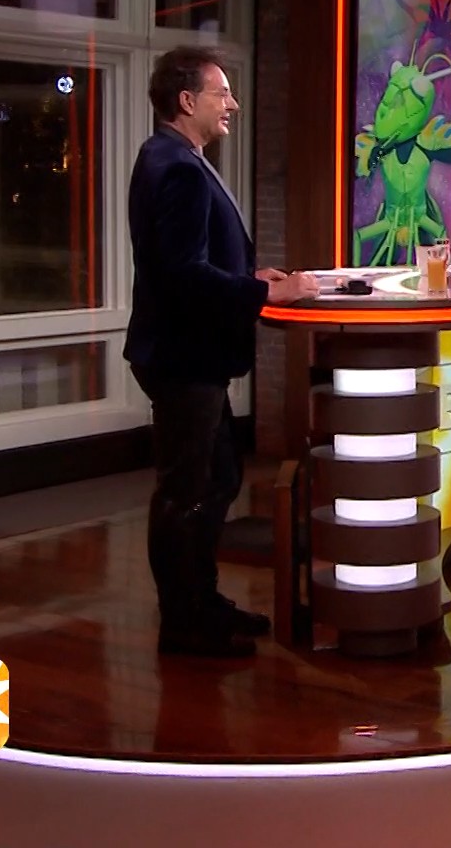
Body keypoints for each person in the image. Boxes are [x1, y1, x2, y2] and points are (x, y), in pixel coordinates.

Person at [125, 46, 316, 658]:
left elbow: (191, 259)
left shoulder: (175, 157)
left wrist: (247, 274)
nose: (232, 103)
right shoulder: (176, 166)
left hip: (192, 355)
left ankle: (201, 601)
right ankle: (183, 621)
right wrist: (266, 292)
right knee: (185, 491)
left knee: (219, 477)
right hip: (183, 357)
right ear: (187, 101)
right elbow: (183, 274)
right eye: (222, 93)